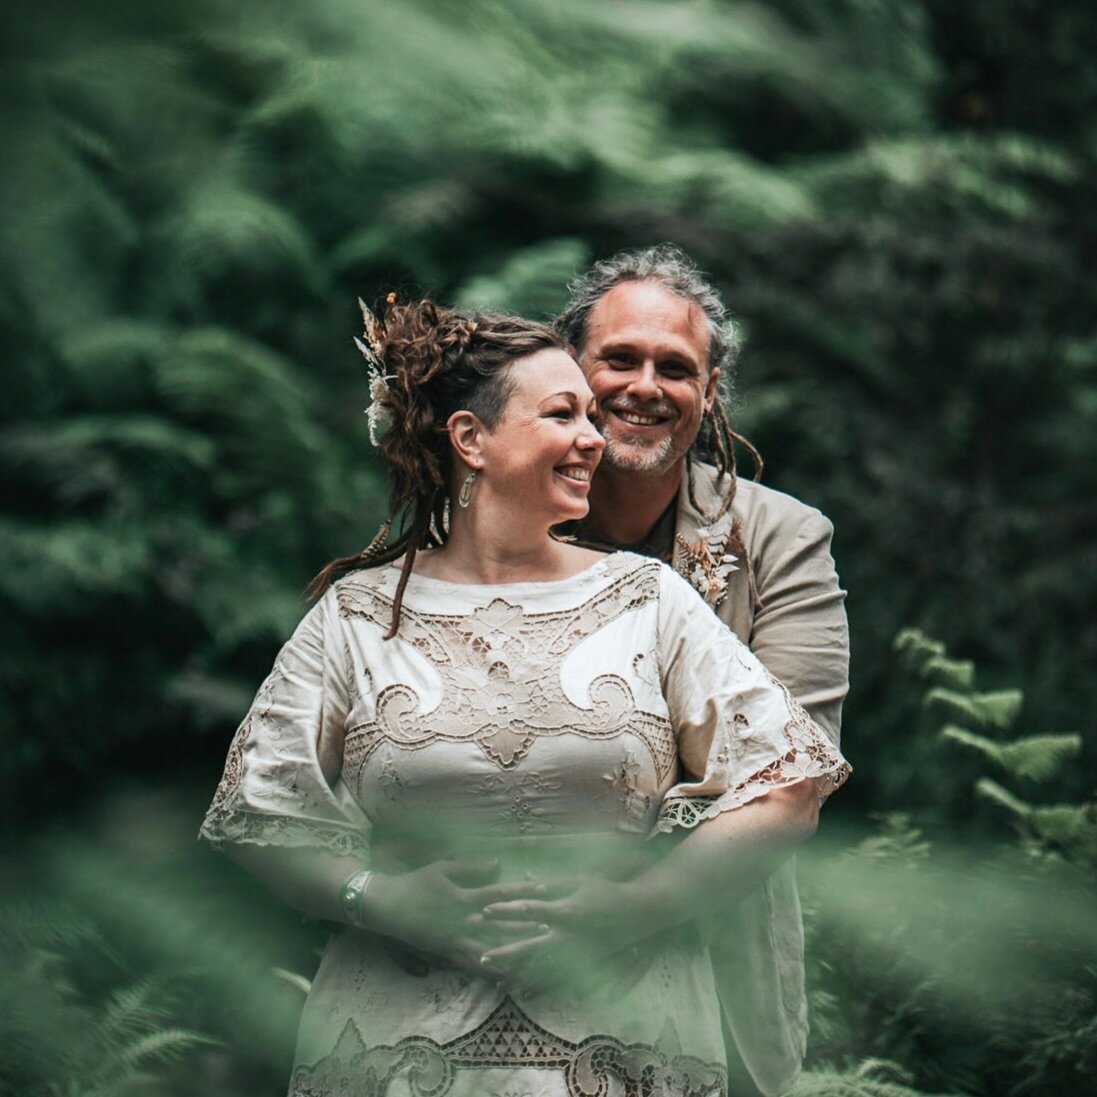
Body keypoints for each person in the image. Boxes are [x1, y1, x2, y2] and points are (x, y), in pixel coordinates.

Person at [200, 297, 849, 1097]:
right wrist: (383, 898)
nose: (592, 437)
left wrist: (628, 906)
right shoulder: (357, 616)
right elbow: (257, 814)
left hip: (623, 1045)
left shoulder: (651, 600)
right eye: (561, 414)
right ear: (470, 439)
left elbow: (786, 786)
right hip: (394, 1051)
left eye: (588, 414)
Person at [556, 245, 851, 1095]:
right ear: (566, 367)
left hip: (714, 971)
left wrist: (612, 910)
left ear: (709, 392)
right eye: (618, 358)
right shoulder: (487, 527)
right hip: (498, 964)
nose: (644, 385)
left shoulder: (781, 541)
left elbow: (790, 781)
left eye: (674, 367)